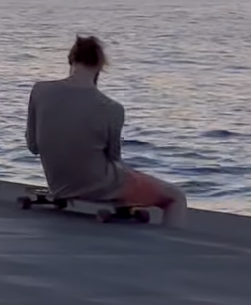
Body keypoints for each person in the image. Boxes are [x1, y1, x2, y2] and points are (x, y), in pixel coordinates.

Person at [27, 35, 187, 223]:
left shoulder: (40, 91)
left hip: (59, 185)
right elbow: (113, 157)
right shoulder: (112, 108)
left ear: (71, 59)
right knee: (176, 197)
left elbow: (33, 146)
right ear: (100, 66)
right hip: (102, 186)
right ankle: (168, 247)